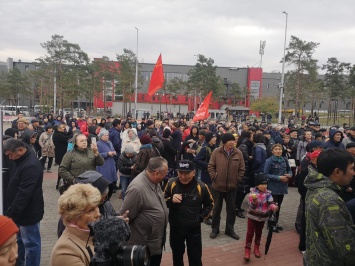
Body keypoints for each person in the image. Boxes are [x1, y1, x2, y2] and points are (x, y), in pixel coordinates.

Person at [304, 148, 355, 265]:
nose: (354, 173)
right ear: (337, 172)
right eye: (352, 168)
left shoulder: (315, 187)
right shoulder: (330, 200)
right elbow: (344, 248)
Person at [119, 157, 169, 266]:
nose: (166, 175)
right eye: (165, 173)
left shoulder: (154, 181)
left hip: (154, 243)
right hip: (143, 247)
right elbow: (124, 217)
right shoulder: (137, 189)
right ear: (156, 173)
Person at [164, 160, 214, 266]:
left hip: (194, 229)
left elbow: (210, 204)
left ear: (194, 173)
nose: (183, 176)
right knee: (177, 257)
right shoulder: (171, 183)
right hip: (176, 228)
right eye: (180, 173)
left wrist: (200, 218)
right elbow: (162, 201)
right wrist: (170, 199)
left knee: (195, 258)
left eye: (187, 173)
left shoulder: (202, 186)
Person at [3, 138, 44, 266]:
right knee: (19, 241)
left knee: (31, 244)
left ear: (20, 150)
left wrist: (10, 212)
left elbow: (24, 192)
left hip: (28, 212)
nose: (9, 158)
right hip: (19, 211)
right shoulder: (21, 159)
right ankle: (19, 262)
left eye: (10, 154)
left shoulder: (30, 165)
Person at [50, 184, 101, 265]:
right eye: (91, 210)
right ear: (74, 216)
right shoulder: (65, 251)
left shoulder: (91, 233)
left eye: (97, 207)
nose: (98, 213)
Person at [208, 133, 245, 240]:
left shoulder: (238, 153)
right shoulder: (216, 152)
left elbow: (242, 169)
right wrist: (214, 177)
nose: (233, 142)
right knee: (216, 209)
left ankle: (230, 229)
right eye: (230, 140)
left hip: (232, 187)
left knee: (231, 209)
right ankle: (215, 229)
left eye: (234, 140)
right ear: (224, 142)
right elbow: (211, 166)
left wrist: (237, 180)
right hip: (218, 186)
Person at [244, 174, 278, 261]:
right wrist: (255, 201)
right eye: (262, 184)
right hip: (252, 216)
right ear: (257, 185)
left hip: (262, 217)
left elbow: (270, 203)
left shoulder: (268, 194)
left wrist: (274, 207)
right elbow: (252, 206)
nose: (264, 186)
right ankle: (247, 250)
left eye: (266, 184)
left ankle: (256, 247)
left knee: (259, 232)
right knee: (250, 233)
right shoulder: (252, 193)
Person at [264, 144, 292, 233]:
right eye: (276, 149)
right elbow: (266, 174)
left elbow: (289, 170)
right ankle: (270, 225)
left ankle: (275, 223)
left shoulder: (285, 160)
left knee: (278, 206)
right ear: (272, 151)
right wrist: (279, 178)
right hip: (273, 188)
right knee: (273, 207)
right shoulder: (269, 161)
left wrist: (289, 175)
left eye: (280, 149)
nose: (278, 151)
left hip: (282, 188)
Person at [96, 129, 117, 199]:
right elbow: (97, 154)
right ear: (101, 136)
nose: (106, 137)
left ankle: (108, 193)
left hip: (110, 162)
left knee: (110, 178)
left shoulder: (110, 142)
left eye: (107, 135)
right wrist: (107, 154)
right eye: (104, 135)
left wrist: (114, 152)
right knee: (104, 179)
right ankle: (103, 195)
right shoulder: (98, 143)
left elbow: (113, 149)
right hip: (104, 164)